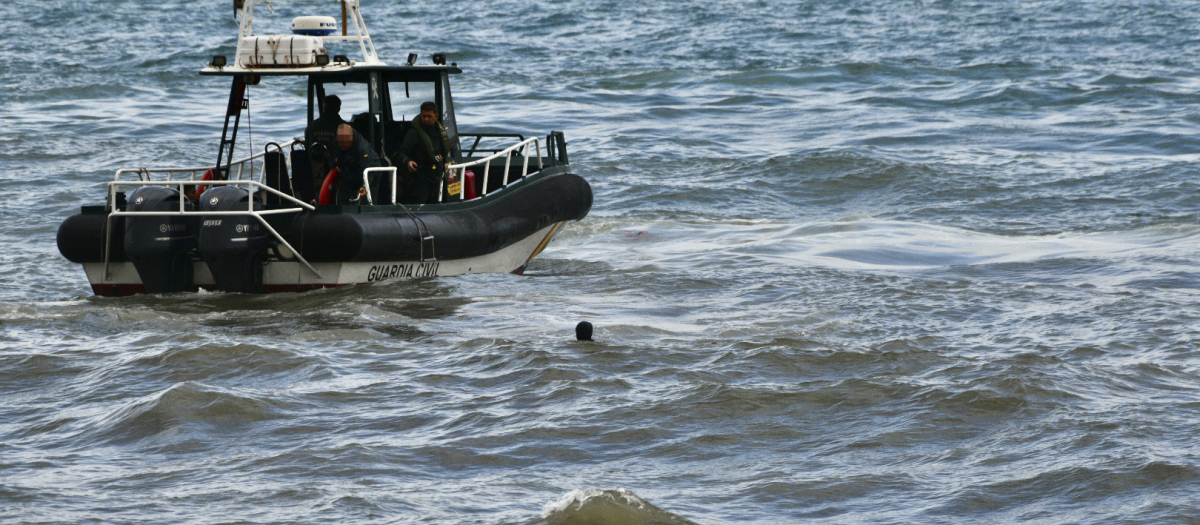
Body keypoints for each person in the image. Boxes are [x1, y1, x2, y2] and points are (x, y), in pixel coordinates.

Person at [398, 101, 453, 204]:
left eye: (429, 116)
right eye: (424, 116)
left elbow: (443, 150)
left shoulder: (440, 132)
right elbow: (402, 153)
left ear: (436, 116)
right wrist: (408, 161)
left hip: (437, 175)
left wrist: (445, 162)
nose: (426, 119)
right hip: (420, 176)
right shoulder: (414, 133)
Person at [332, 123, 381, 205]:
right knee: (342, 195)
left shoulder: (362, 148)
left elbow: (367, 168)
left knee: (366, 198)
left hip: (370, 171)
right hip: (348, 169)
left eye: (346, 143)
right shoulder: (335, 143)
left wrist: (365, 186)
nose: (343, 146)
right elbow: (334, 159)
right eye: (341, 143)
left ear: (352, 136)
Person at [305, 95, 344, 190]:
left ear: (324, 107)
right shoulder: (344, 127)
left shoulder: (311, 127)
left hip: (313, 172)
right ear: (338, 109)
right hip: (338, 173)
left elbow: (307, 146)